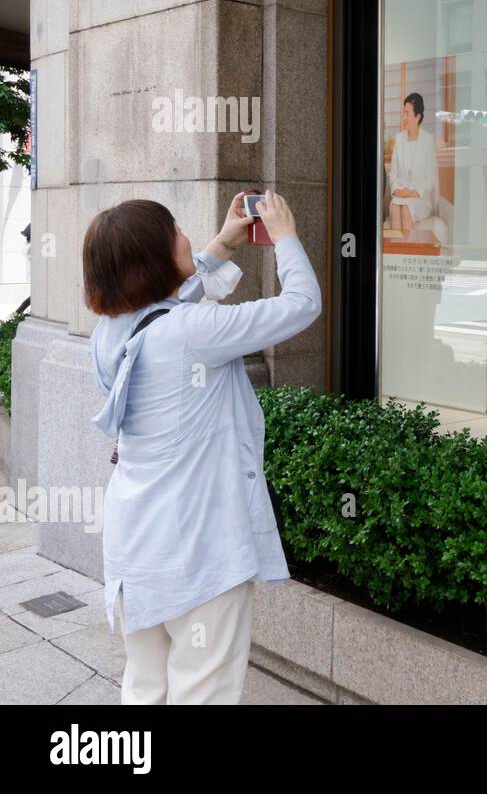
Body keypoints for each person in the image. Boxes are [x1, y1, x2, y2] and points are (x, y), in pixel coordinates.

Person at [84, 192, 321, 704]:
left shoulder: (108, 333)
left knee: (146, 686)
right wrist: (286, 238)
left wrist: (222, 244)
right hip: (198, 551)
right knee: (203, 691)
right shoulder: (193, 332)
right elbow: (302, 305)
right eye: (176, 232)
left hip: (135, 551)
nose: (185, 236)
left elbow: (165, 308)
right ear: (156, 257)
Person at [388, 92, 439, 232]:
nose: (404, 117)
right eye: (403, 113)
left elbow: (430, 180)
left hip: (419, 198)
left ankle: (407, 251)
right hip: (400, 196)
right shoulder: (399, 138)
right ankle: (398, 252)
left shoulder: (428, 140)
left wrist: (411, 193)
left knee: (405, 208)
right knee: (395, 206)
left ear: (417, 117)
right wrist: (398, 190)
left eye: (407, 113)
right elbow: (393, 175)